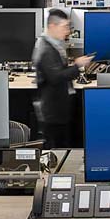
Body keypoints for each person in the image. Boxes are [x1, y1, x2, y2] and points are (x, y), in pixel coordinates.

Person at [33, 9, 92, 148]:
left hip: (59, 107)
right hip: (53, 111)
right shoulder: (46, 49)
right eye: (65, 27)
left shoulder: (53, 44)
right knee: (57, 148)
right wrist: (77, 66)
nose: (68, 31)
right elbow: (55, 77)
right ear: (52, 26)